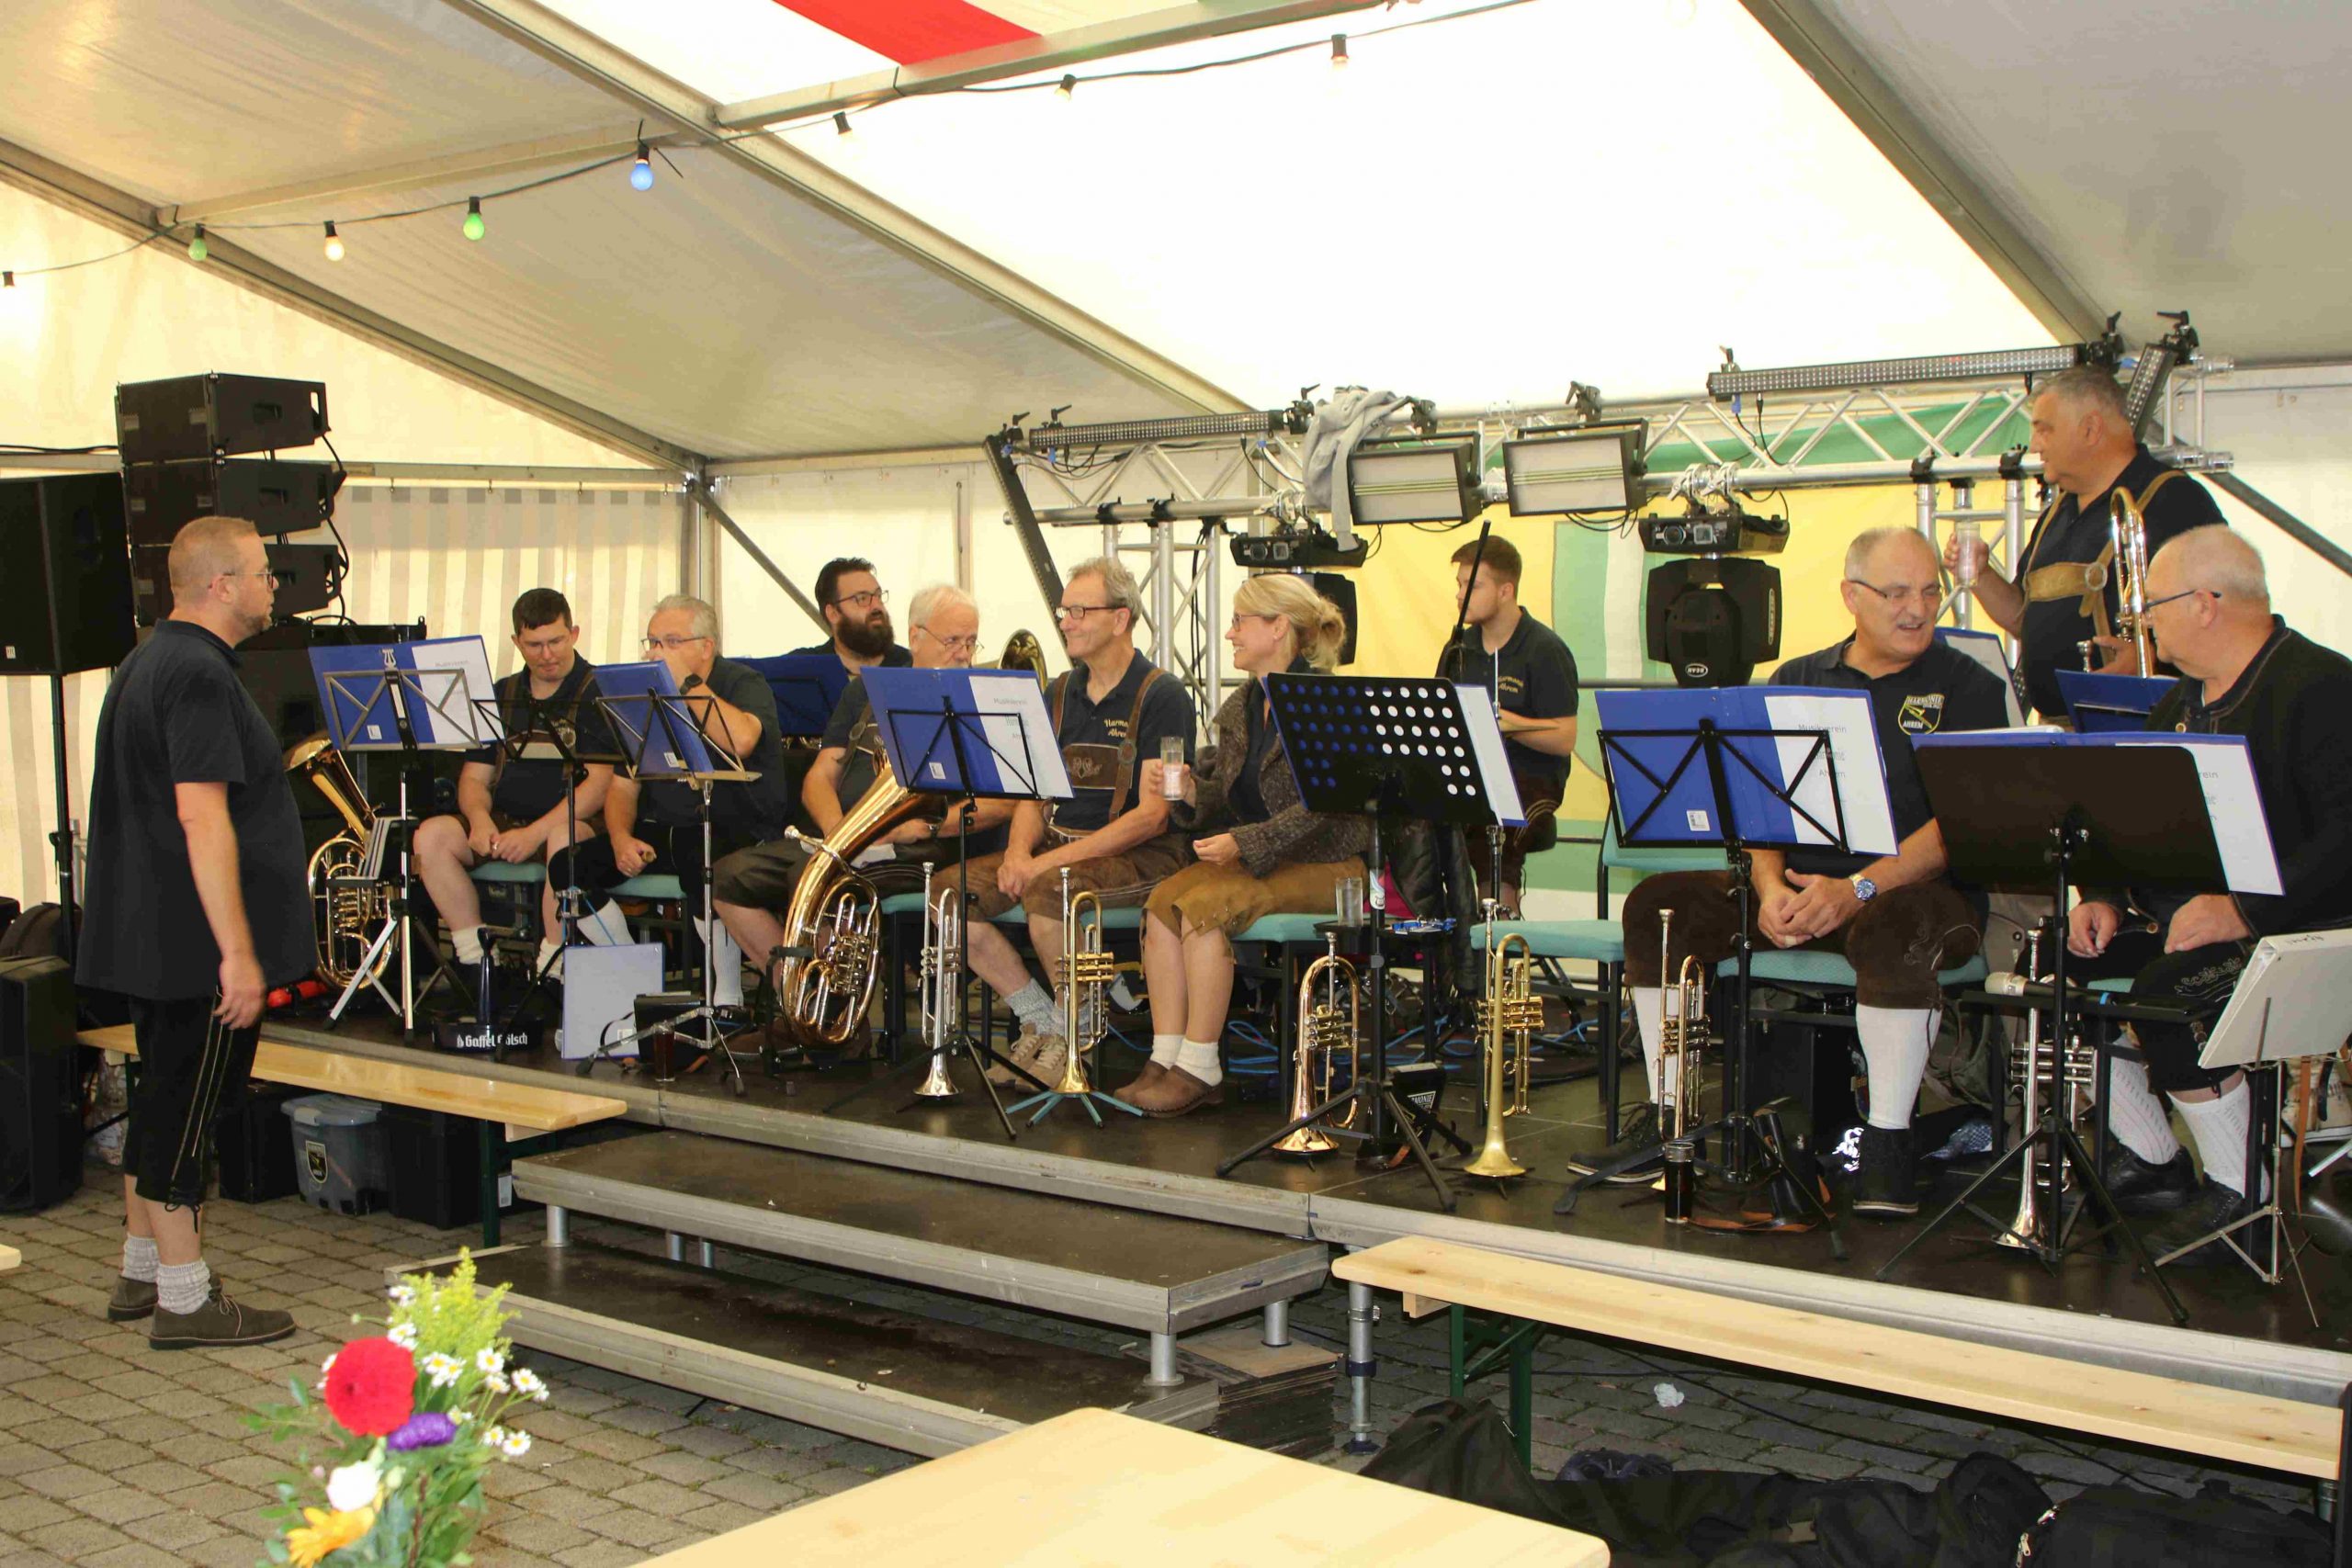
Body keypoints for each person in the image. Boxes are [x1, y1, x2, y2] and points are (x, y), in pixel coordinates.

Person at [1573, 528, 2010, 1215]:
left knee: (1898, 927)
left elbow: (1960, 825)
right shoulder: (1796, 679)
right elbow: (1757, 806)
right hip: (1801, 891)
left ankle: (1888, 1147)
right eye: (1897, 593)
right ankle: (1667, 1120)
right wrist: (1770, 886)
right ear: (1851, 596)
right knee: (1659, 905)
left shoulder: (1972, 688)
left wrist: (1858, 888)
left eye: (1931, 592)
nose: (1918, 609)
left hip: (1912, 895)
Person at [2064, 526, 2352, 1263]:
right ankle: (2155, 1161)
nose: (2143, 624)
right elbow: (2131, 824)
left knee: (2168, 992)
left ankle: (2241, 1193)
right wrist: (2102, 893)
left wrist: (2241, 909)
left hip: (2309, 930)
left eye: (2151, 606)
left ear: (2204, 603)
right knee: (2068, 972)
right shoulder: (2179, 705)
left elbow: (2345, 839)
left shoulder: (2323, 689)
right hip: (2204, 926)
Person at [76, 517, 309, 1348]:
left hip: (153, 934)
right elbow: (200, 814)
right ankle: (185, 1297)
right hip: (196, 943)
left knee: (161, 1097)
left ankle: (141, 1269)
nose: (273, 585)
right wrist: (238, 953)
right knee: (187, 1114)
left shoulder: (146, 660)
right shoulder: (200, 674)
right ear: (221, 585)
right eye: (263, 571)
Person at [1130, 575, 1372, 1117]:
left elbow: (1325, 807)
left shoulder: (1327, 704)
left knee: (1203, 909)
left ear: (1279, 627)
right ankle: (1165, 1055)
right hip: (1263, 860)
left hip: (1332, 865)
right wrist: (1192, 791)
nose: (1230, 633)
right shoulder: (1244, 704)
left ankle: (1200, 1066)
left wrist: (1244, 842)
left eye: (1240, 621)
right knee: (1159, 904)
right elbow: (1228, 791)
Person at [954, 558, 1196, 1085]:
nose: (1065, 621)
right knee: (950, 897)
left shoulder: (1163, 696)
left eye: (1079, 611)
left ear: (1121, 618)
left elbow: (1152, 818)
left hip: (1144, 856)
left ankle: (1075, 1039)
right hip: (1060, 851)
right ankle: (1041, 1019)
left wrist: (1043, 864)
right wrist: (1018, 853)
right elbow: (1034, 793)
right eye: (1064, 611)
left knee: (1049, 892)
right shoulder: (1059, 692)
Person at [711, 583, 1013, 995]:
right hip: (845, 836)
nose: (963, 653)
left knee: (815, 879)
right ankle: (800, 995)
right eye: (952, 641)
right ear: (915, 636)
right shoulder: (865, 691)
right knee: (728, 876)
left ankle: (833, 1010)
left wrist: (926, 827)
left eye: (971, 641)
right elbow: (820, 777)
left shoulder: (983, 701)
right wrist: (841, 833)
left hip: (916, 848)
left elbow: (1005, 803)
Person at [548, 595, 788, 1006]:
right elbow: (624, 786)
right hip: (663, 829)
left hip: (735, 826)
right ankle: (636, 975)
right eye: (652, 642)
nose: (656, 652)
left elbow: (743, 741)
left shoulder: (741, 682)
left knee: (705, 865)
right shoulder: (644, 694)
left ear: (706, 647)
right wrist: (621, 837)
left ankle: (727, 996)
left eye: (671, 642)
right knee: (567, 868)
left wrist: (688, 684)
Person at [1945, 365, 2222, 720]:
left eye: (2044, 430)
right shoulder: (2055, 514)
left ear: (2090, 429)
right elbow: (2022, 619)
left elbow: (2221, 615)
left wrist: (2149, 660)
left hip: (2138, 730)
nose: (2035, 445)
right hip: (2059, 734)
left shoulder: (2175, 501)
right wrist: (1981, 576)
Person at [410, 588, 616, 984]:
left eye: (556, 641)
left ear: (574, 634)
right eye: (534, 645)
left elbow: (598, 786)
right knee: (431, 836)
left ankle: (552, 968)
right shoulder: (500, 694)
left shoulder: (598, 691)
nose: (547, 654)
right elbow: (474, 777)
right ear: (516, 642)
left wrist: (533, 834)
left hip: (573, 823)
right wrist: (479, 819)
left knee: (563, 840)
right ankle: (478, 962)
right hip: (506, 821)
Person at [1436, 535, 1579, 912]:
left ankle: (1497, 929)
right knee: (1414, 817)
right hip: (1471, 775)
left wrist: (1512, 724)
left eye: (1473, 586)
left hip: (1531, 781)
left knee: (1493, 823)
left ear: (1505, 591)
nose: (1460, 595)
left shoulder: (1544, 649)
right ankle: (1438, 932)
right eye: (1459, 584)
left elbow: (1565, 738)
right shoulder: (1459, 650)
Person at [789, 557, 912, 674]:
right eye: (862, 598)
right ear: (833, 614)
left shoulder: (913, 666)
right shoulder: (801, 668)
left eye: (878, 596)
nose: (877, 606)